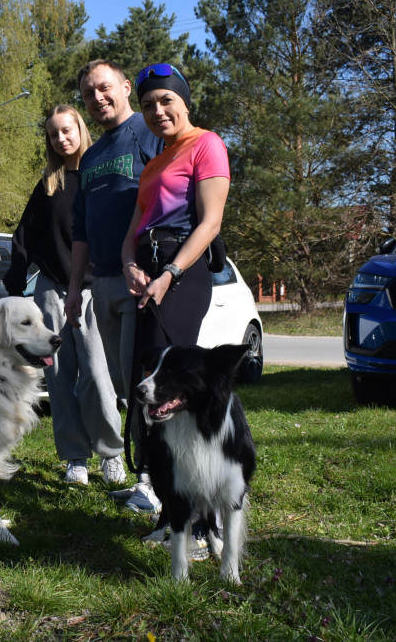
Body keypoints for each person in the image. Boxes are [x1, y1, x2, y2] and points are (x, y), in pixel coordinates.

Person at [120, 62, 231, 537]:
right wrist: (130, 264)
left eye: (166, 100)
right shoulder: (153, 163)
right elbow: (133, 231)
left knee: (177, 393)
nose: (158, 111)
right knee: (149, 395)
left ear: (185, 101)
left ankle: (206, 524)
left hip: (180, 274)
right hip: (147, 275)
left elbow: (210, 223)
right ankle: (172, 514)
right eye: (148, 105)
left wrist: (168, 273)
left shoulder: (207, 144)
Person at [3, 105, 126, 486]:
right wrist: (17, 271)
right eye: (54, 134)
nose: (61, 139)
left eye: (67, 130)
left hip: (92, 289)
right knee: (57, 375)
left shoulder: (100, 174)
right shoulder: (48, 185)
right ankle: (74, 456)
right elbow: (25, 233)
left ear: (80, 129)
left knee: (96, 374)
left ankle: (110, 453)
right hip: (51, 290)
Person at [63, 60, 164, 507]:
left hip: (144, 280)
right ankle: (150, 473)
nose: (98, 98)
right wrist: (72, 290)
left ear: (125, 87)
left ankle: (156, 480)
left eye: (105, 88)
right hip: (102, 283)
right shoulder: (92, 156)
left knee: (149, 383)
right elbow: (80, 230)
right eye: (89, 94)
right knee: (128, 388)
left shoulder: (150, 130)